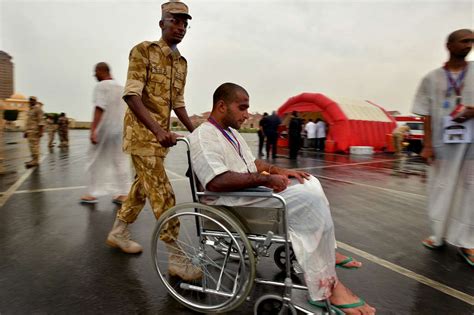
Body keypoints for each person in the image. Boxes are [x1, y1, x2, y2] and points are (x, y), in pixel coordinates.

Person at [188, 83, 375, 314]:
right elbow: (216, 181)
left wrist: (278, 171)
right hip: (232, 203)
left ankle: (324, 250)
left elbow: (252, 164)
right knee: (308, 199)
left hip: (249, 196)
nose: (247, 115)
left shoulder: (230, 133)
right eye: (243, 108)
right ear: (222, 105)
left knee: (310, 182)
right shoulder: (203, 136)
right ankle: (326, 286)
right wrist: (265, 180)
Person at [106, 0, 200, 281]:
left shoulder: (182, 63)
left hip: (161, 139)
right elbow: (132, 94)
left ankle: (119, 231)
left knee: (142, 188)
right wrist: (157, 131)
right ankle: (176, 256)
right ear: (162, 23)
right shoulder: (143, 51)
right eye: (175, 20)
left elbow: (178, 103)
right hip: (141, 134)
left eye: (185, 22)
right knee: (162, 191)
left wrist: (199, 133)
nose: (181, 27)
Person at [412, 29, 474, 266]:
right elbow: (425, 113)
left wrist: (471, 111)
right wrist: (427, 144)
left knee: (471, 190)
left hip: (471, 145)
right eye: (464, 40)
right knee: (441, 189)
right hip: (442, 145)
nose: (469, 45)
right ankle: (439, 235)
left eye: (472, 41)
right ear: (449, 44)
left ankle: (468, 241)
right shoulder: (432, 78)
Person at [80, 62, 132, 205]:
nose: (94, 75)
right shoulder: (121, 88)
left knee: (94, 160)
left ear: (101, 71)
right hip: (120, 130)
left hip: (105, 130)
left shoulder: (101, 86)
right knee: (120, 160)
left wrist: (93, 130)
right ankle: (123, 193)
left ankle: (92, 192)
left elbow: (99, 108)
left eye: (95, 72)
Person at [24, 96, 44, 168]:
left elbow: (41, 121)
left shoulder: (38, 109)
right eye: (30, 100)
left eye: (32, 100)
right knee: (31, 146)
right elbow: (28, 122)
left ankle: (35, 161)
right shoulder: (30, 110)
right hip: (30, 131)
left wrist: (41, 132)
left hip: (35, 131)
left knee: (34, 146)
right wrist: (26, 131)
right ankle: (33, 159)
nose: (31, 101)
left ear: (35, 101)